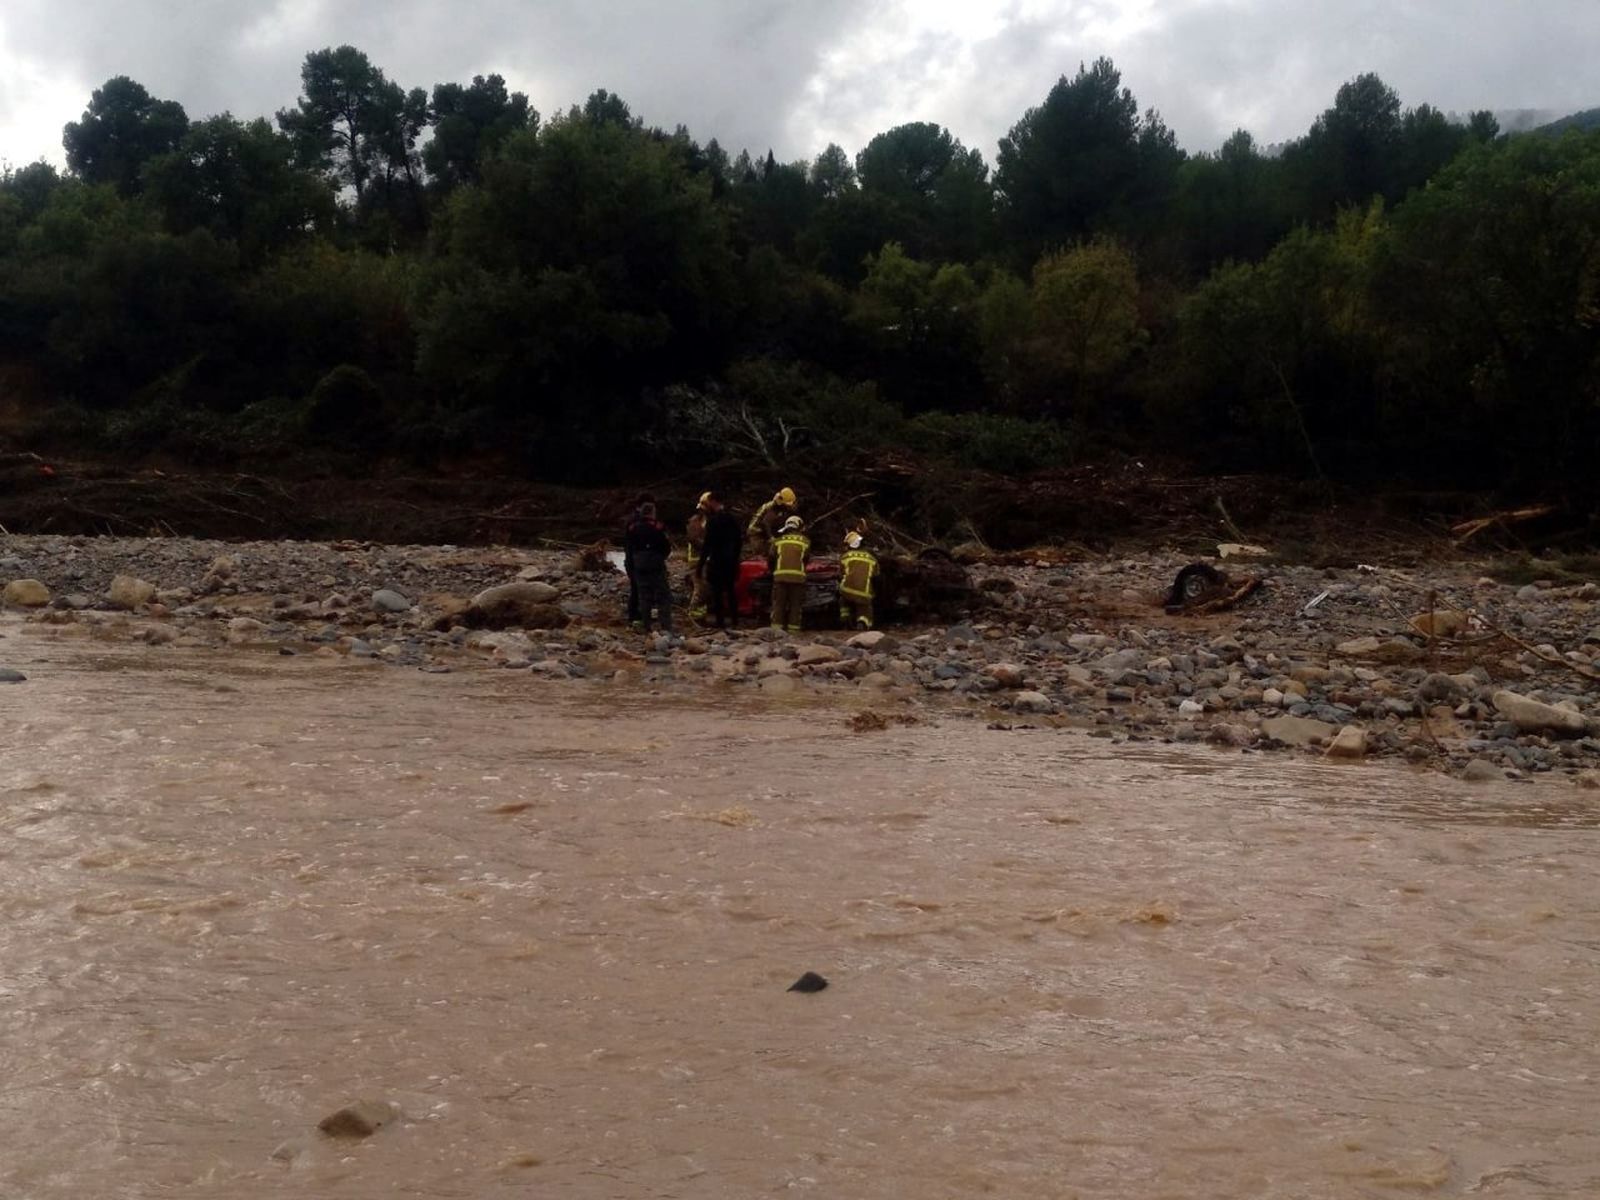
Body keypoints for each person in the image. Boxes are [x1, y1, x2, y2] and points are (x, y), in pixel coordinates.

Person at [625, 501, 674, 634]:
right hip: (655, 562)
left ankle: (646, 624)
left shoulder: (633, 527)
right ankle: (666, 625)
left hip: (639, 563)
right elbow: (666, 546)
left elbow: (629, 546)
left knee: (644, 595)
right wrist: (660, 557)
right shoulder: (657, 527)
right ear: (652, 513)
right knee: (663, 595)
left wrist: (632, 563)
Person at [700, 492, 743, 629]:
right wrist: (736, 558)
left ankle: (720, 622)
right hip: (730, 560)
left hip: (717, 561)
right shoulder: (732, 519)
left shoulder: (713, 521)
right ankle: (735, 620)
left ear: (713, 502)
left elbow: (707, 544)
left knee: (717, 593)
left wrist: (700, 565)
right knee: (730, 591)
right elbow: (739, 541)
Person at [769, 515, 810, 634]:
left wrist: (774, 572)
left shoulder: (778, 541)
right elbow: (806, 559)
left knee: (778, 605)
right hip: (798, 579)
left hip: (780, 578)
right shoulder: (806, 542)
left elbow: (771, 559)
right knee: (795, 606)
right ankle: (794, 631)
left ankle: (776, 632)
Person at [622, 491, 654, 631]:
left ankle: (637, 614)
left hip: (635, 559)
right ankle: (635, 616)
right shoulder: (636, 521)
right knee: (638, 589)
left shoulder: (633, 520)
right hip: (636, 559)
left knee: (638, 588)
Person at [837, 530, 880, 630]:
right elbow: (876, 576)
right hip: (864, 593)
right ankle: (862, 621)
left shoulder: (845, 557)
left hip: (847, 590)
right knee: (865, 608)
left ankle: (845, 617)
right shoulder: (872, 559)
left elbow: (840, 574)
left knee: (843, 599)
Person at [684, 492, 711, 622]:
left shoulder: (708, 521)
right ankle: (693, 615)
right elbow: (694, 540)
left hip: (706, 560)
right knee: (701, 588)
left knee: (707, 588)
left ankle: (701, 615)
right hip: (697, 561)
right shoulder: (695, 522)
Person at [747, 487, 797, 555]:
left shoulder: (782, 509)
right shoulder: (773, 507)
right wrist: (771, 537)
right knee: (761, 554)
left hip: (765, 531)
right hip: (756, 532)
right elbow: (766, 523)